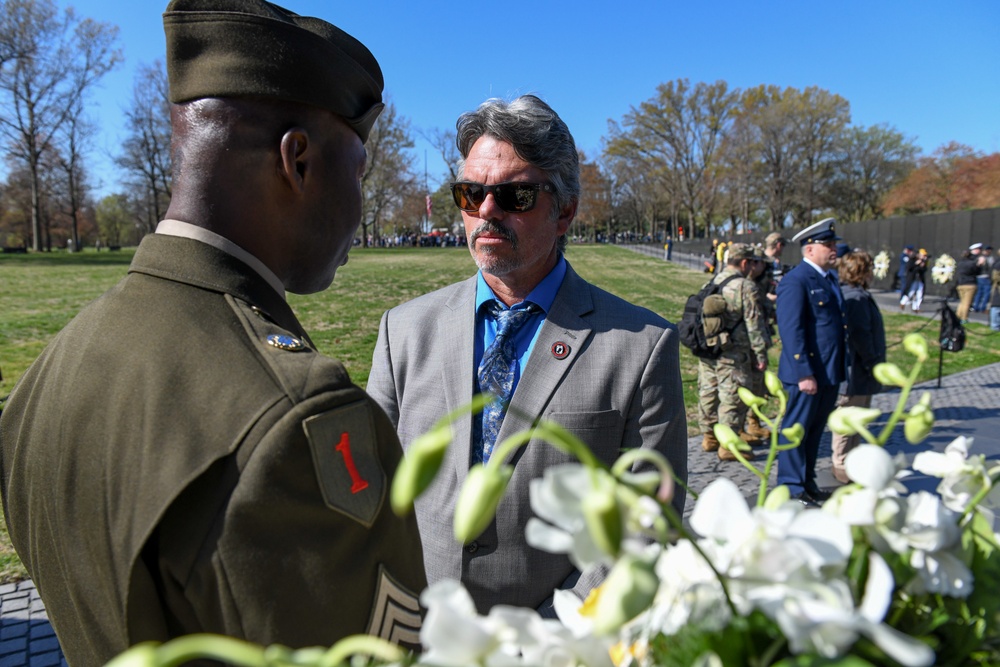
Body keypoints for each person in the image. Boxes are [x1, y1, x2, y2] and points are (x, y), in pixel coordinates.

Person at [0, 2, 426, 664]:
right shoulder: (296, 427)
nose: (361, 201)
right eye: (360, 169)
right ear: (299, 160)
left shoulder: (46, 376)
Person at [367, 95, 688, 616]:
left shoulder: (641, 345)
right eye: (471, 194)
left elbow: (649, 524)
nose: (486, 211)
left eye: (514, 196)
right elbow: (369, 489)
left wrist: (553, 636)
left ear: (564, 211)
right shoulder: (401, 330)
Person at [775, 218, 847, 506]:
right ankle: (791, 486)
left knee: (815, 430)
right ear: (809, 250)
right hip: (806, 374)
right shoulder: (796, 281)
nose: (834, 249)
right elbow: (792, 330)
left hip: (827, 371)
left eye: (833, 244)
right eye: (827, 245)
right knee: (796, 430)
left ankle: (806, 481)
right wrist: (804, 372)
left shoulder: (828, 279)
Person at [696, 243, 769, 460]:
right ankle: (728, 445)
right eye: (752, 262)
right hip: (733, 351)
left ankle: (709, 437)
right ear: (745, 262)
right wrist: (760, 354)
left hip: (709, 348)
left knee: (708, 391)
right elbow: (754, 324)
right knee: (733, 396)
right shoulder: (745, 286)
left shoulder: (712, 281)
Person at [830, 251, 885, 484]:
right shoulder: (856, 298)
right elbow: (861, 334)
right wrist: (873, 361)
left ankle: (852, 461)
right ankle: (841, 463)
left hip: (859, 371)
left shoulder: (855, 295)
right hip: (856, 371)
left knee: (857, 420)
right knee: (848, 419)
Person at [956, 243, 983, 322]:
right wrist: (979, 265)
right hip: (970, 283)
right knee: (967, 303)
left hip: (960, 283)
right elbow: (976, 272)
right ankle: (964, 318)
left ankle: (958, 316)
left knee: (962, 302)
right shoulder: (972, 263)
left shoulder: (961, 263)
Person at [900, 248, 929, 313]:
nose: (924, 257)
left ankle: (916, 307)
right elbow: (909, 268)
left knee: (919, 293)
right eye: (922, 255)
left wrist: (922, 266)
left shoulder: (924, 262)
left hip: (920, 279)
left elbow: (924, 270)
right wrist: (916, 264)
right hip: (912, 279)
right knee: (911, 292)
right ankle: (903, 302)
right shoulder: (912, 259)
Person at [973, 245, 994, 312]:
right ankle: (982, 307)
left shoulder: (978, 258)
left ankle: (976, 306)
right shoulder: (989, 258)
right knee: (986, 293)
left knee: (979, 293)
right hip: (985, 276)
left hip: (979, 277)